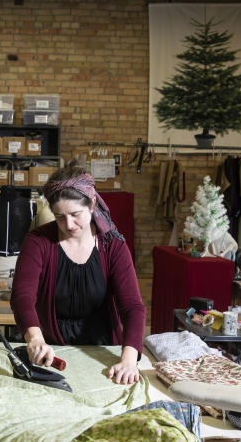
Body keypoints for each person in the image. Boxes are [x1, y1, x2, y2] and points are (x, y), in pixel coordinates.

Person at [10, 163, 146, 385]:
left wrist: (129, 360)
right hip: (53, 351)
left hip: (103, 350)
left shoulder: (112, 246)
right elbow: (22, 296)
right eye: (59, 217)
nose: (69, 225)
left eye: (75, 214)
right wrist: (35, 338)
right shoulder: (38, 242)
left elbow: (132, 308)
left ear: (92, 204)